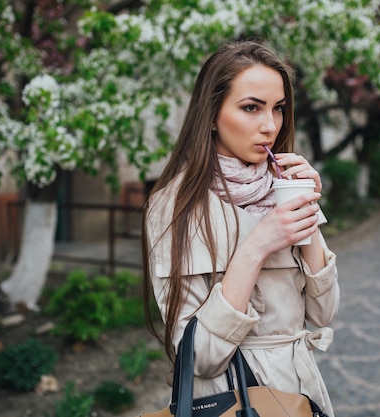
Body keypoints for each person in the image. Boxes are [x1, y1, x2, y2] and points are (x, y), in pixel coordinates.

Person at [142, 40, 340, 417]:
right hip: (232, 399)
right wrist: (256, 246)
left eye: (278, 108)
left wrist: (308, 211)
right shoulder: (174, 206)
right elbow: (199, 357)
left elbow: (324, 313)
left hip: (301, 391)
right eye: (251, 108)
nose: (270, 125)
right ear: (212, 114)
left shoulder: (283, 188)